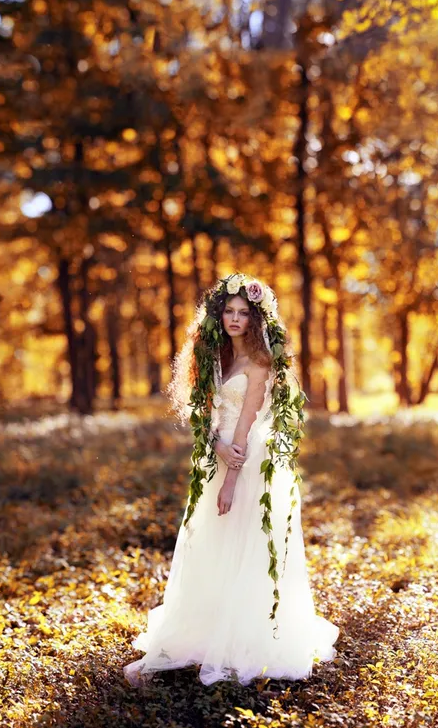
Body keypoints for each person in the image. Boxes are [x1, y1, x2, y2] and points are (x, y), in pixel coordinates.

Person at [124, 274, 339, 686]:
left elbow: (248, 419)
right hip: (218, 454)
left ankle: (244, 640)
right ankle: (205, 634)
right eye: (229, 311)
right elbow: (203, 410)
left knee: (245, 544)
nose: (235, 318)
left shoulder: (259, 361)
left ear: (256, 319)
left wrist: (230, 477)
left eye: (244, 312)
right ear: (217, 315)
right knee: (210, 543)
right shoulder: (216, 358)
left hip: (249, 462)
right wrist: (213, 445)